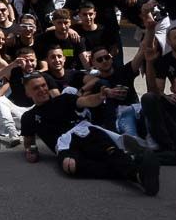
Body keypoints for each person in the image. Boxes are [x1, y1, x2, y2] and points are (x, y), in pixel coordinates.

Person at [17, 73, 160, 196]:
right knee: (70, 166)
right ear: (28, 93)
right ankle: (134, 163)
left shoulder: (64, 99)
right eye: (36, 88)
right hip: (64, 145)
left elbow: (86, 101)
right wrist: (31, 152)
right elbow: (29, 143)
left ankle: (140, 177)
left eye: (43, 85)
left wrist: (100, 96)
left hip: (84, 132)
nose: (42, 89)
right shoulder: (28, 117)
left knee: (109, 152)